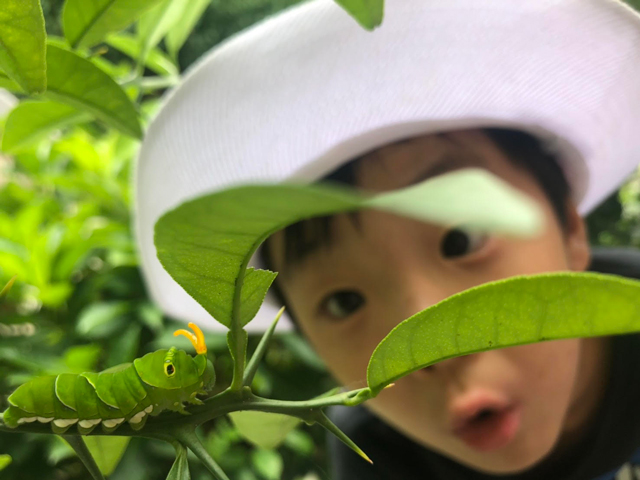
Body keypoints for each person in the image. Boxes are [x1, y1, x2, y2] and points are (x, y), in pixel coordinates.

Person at [134, 0, 640, 478]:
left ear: (571, 226)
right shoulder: (376, 455)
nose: (428, 349)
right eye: (344, 301)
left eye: (462, 240)